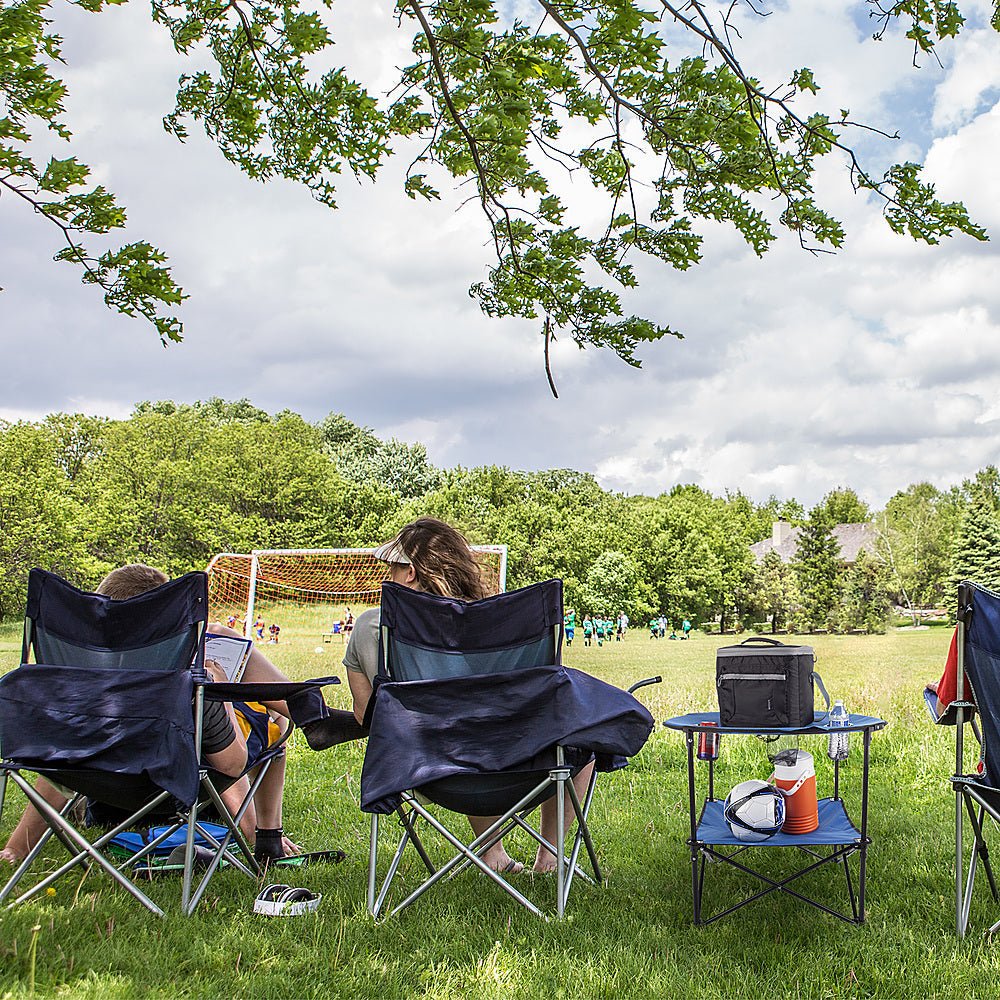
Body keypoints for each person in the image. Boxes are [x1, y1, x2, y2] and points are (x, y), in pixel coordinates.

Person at [1, 564, 299, 866]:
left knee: (69, 748)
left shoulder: (73, 683)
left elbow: (55, 761)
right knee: (267, 721)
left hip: (100, 794)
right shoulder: (188, 687)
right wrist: (218, 691)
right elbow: (232, 764)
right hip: (186, 789)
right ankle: (262, 833)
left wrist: (16, 848)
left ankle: (18, 849)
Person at [345, 517, 596, 875]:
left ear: (411, 572)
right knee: (580, 739)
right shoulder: (502, 625)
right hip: (523, 771)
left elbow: (365, 716)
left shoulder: (371, 625)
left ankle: (492, 853)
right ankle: (549, 858)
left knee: (462, 736)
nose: (387, 575)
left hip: (423, 772)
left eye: (392, 567)